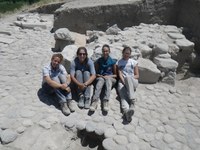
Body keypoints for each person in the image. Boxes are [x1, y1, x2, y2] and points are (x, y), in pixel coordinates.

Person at [90, 44, 117, 112]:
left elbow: (116, 75)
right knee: (101, 81)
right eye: (104, 51)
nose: (105, 53)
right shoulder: (99, 61)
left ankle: (105, 101)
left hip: (110, 78)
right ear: (102, 52)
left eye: (107, 51)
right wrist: (101, 76)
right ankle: (95, 101)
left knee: (108, 80)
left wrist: (108, 76)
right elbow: (95, 73)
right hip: (101, 77)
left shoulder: (112, 61)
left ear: (109, 51)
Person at [116, 47, 139, 122]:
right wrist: (124, 82)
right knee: (123, 96)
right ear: (123, 53)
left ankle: (132, 101)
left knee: (128, 77)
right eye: (125, 53)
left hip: (133, 82)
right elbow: (120, 74)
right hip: (122, 81)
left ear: (130, 54)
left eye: (128, 53)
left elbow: (137, 75)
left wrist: (129, 79)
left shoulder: (133, 62)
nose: (127, 55)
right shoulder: (119, 62)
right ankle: (126, 112)